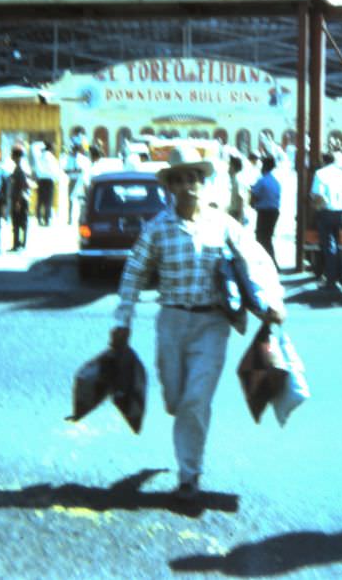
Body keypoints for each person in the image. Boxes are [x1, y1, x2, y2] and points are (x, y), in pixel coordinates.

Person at [109, 145, 285, 502]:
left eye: (194, 178)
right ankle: (183, 437)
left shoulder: (223, 224)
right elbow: (133, 274)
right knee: (176, 399)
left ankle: (189, 476)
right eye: (179, 179)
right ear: (170, 187)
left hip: (212, 324)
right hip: (171, 323)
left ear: (203, 183)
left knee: (195, 400)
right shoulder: (157, 229)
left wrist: (274, 300)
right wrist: (123, 321)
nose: (188, 185)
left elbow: (256, 259)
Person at [310, 152, 342, 291]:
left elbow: (318, 195)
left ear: (323, 161)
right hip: (341, 213)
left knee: (329, 246)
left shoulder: (320, 174)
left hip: (326, 212)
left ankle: (331, 279)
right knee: (336, 245)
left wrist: (316, 207)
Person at [249, 155, 281, 268]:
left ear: (264, 166)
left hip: (264, 212)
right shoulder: (275, 181)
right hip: (274, 212)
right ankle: (270, 262)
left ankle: (270, 263)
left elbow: (254, 195)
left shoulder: (262, 180)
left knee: (262, 238)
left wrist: (252, 202)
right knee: (267, 238)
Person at [9, 146, 33, 251]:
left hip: (20, 199)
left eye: (13, 155)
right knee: (21, 221)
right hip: (22, 198)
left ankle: (19, 244)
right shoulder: (21, 167)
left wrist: (18, 202)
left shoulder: (20, 169)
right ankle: (19, 243)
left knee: (18, 221)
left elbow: (22, 186)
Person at [63, 142, 90, 224]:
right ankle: (69, 218)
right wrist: (72, 171)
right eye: (73, 149)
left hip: (80, 181)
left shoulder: (82, 159)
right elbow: (66, 170)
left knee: (81, 200)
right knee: (70, 200)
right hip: (72, 180)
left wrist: (76, 171)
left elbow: (83, 170)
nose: (73, 151)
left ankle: (80, 217)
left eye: (75, 150)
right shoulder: (69, 159)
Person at [34, 142, 59, 226]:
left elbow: (37, 168)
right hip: (49, 180)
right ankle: (46, 220)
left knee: (40, 200)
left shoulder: (40, 156)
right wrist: (55, 178)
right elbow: (55, 170)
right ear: (51, 148)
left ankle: (38, 218)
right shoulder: (52, 158)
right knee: (48, 201)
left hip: (41, 180)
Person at [227, 154, 248, 224]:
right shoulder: (233, 180)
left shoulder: (238, 180)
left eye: (230, 165)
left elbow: (241, 200)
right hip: (230, 212)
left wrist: (240, 219)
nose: (228, 168)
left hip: (235, 214)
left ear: (234, 167)